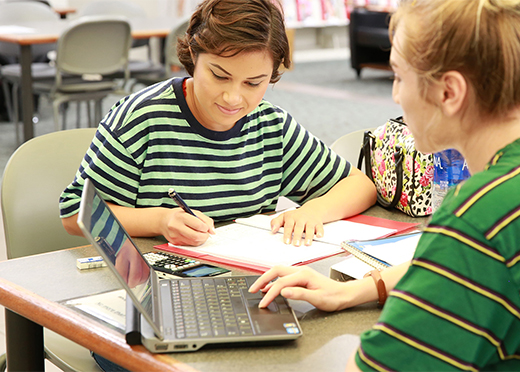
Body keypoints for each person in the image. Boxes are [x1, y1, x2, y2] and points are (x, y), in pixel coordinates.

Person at [249, 0, 520, 370]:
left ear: (449, 92)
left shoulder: (481, 214)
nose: (396, 96)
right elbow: (476, 270)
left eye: (399, 75)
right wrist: (359, 290)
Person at [59, 0, 376, 248]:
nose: (233, 98)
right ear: (193, 55)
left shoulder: (269, 125)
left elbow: (359, 185)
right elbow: (75, 214)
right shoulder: (141, 120)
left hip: (244, 278)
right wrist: (160, 220)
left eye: (253, 83)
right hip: (153, 280)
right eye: (219, 75)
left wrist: (311, 212)